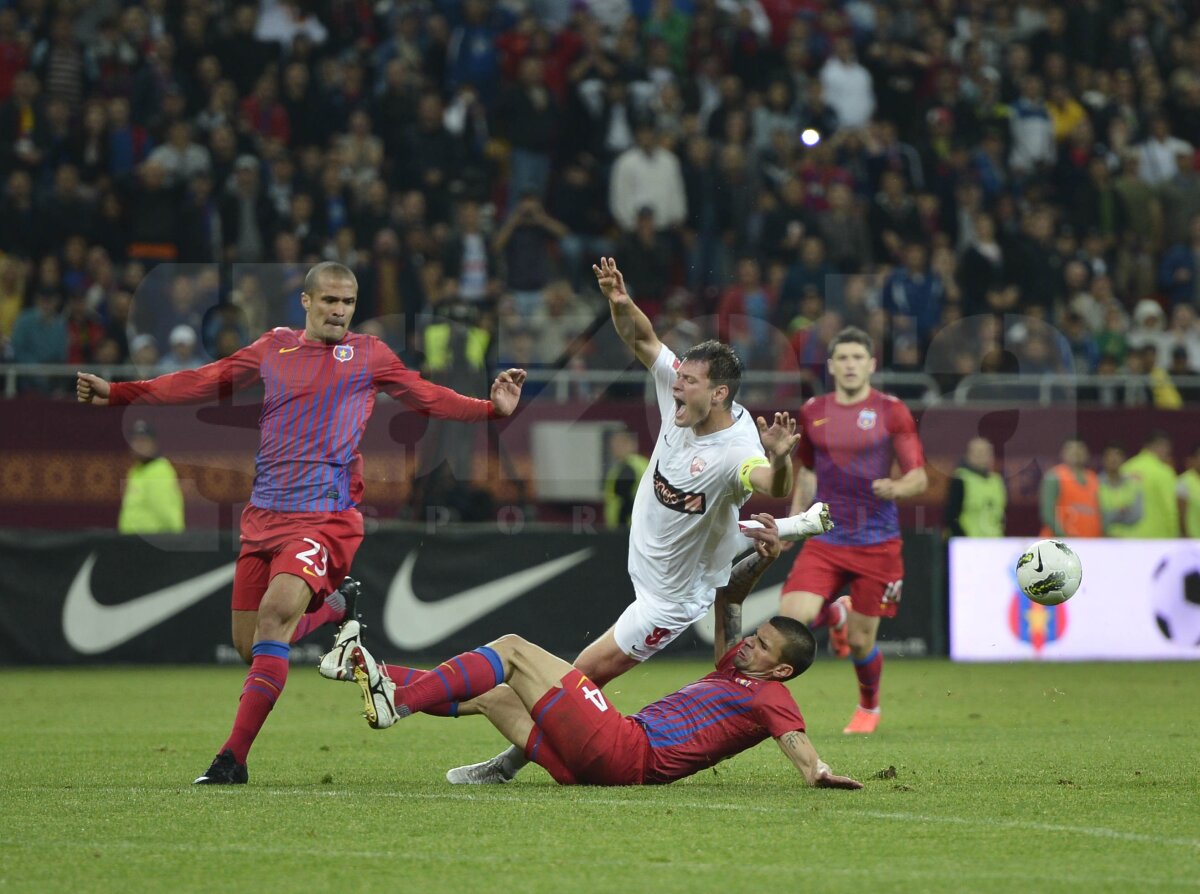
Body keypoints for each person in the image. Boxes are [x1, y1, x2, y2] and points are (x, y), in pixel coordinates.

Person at [76, 261, 526, 785]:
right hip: (263, 517)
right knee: (254, 645)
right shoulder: (274, 347)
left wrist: (490, 410)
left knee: (274, 618)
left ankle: (231, 760)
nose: (339, 311)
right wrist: (120, 393)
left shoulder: (369, 355)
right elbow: (203, 381)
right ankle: (336, 606)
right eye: (330, 301)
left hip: (325, 519)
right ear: (307, 303)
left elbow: (427, 395)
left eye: (349, 303)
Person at [407, 256, 831, 783]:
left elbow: (772, 485)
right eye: (679, 377)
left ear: (719, 393)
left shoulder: (735, 450)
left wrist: (783, 457)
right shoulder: (679, 391)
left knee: (575, 678)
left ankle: (490, 753)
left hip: (670, 599)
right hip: (655, 559)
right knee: (563, 681)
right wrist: (618, 300)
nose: (677, 387)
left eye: (690, 382)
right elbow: (645, 341)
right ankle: (802, 525)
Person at [326, 515, 862, 790]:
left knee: (511, 649)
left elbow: (793, 737)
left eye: (761, 644)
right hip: (595, 766)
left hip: (627, 750)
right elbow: (730, 597)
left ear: (783, 669)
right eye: (754, 635)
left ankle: (397, 702)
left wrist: (816, 772)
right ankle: (361, 665)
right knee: (494, 694)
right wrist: (764, 559)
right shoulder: (733, 668)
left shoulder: (768, 695)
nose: (748, 642)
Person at [779, 326, 928, 735]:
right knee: (791, 621)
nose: (849, 365)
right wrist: (793, 524)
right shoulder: (812, 411)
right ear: (830, 366)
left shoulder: (891, 410)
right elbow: (806, 470)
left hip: (877, 543)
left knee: (861, 643)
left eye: (857, 358)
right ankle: (835, 611)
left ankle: (869, 707)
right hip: (827, 537)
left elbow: (918, 477)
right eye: (842, 358)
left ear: (871, 365)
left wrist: (895, 487)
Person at [117, 420, 185, 534]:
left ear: (154, 444)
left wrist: (175, 544)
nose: (139, 445)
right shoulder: (136, 471)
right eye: (135, 441)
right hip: (133, 544)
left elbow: (166, 512)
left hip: (153, 544)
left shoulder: (159, 471)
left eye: (144, 441)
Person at [1120, 430, 1180, 538]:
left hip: (1127, 539)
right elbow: (1170, 510)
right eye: (1167, 449)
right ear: (1161, 446)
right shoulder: (1164, 472)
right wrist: (1173, 536)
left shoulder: (1125, 468)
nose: (1168, 453)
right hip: (1157, 540)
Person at [1039, 437, 1103, 539]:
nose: (1076, 452)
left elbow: (1100, 512)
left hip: (1091, 544)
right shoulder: (1054, 476)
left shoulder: (1094, 478)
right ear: (1063, 453)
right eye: (1071, 449)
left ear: (1087, 454)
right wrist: (1064, 538)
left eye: (1080, 448)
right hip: (1060, 544)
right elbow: (1047, 514)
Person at [944, 437, 1006, 538]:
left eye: (985, 452)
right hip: (967, 542)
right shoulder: (960, 479)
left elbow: (1000, 515)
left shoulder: (997, 481)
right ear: (968, 455)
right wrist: (962, 539)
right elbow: (950, 516)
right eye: (977, 452)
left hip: (995, 542)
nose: (981, 456)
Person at [602, 429, 649, 528]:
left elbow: (624, 502)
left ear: (632, 444)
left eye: (622, 443)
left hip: (628, 528)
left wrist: (620, 527)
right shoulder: (641, 464)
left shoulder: (629, 468)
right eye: (615, 443)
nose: (616, 447)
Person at [1097, 443, 1144, 537]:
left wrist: (1111, 515)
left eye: (1117, 455)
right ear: (1104, 459)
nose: (1114, 459)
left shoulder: (1134, 484)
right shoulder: (1095, 484)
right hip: (1104, 540)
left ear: (1123, 459)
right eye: (1110, 455)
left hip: (1130, 541)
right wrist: (1119, 512)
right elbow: (1098, 518)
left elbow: (1137, 515)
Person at [1177, 444, 1200, 539]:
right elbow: (1180, 514)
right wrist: (1185, 535)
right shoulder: (1184, 482)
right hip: (1193, 540)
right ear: (1193, 459)